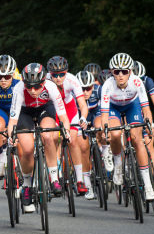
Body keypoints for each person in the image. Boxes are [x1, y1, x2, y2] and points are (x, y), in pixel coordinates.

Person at [7, 63, 70, 213]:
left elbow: (63, 117)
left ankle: (54, 178)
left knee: (48, 135)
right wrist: (11, 137)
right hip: (25, 113)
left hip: (44, 109)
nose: (33, 90)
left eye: (37, 86)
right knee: (27, 149)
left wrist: (66, 131)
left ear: (43, 82)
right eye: (29, 86)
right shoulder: (18, 89)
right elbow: (12, 121)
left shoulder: (51, 87)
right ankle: (27, 185)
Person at [100, 53, 154, 200]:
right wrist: (106, 131)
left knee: (138, 140)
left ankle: (148, 186)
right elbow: (104, 114)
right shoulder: (107, 85)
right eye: (116, 71)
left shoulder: (137, 82)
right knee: (116, 133)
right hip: (114, 108)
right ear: (112, 72)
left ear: (130, 71)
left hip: (132, 106)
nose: (120, 75)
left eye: (124, 71)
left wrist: (149, 124)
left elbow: (146, 108)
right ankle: (118, 165)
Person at [46, 56, 89, 195]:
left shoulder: (72, 79)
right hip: (54, 111)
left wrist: (83, 117)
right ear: (49, 74)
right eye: (55, 75)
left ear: (67, 72)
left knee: (73, 140)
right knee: (54, 140)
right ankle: (55, 176)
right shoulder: (45, 80)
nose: (58, 78)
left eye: (61, 74)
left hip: (70, 111)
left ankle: (80, 180)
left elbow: (82, 104)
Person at [132, 60, 154, 201]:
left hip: (145, 115)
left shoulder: (147, 81)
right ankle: (130, 172)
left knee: (149, 147)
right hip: (131, 115)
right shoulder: (127, 82)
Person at [76, 70, 101, 199]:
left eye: (88, 88)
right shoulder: (74, 95)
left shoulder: (98, 90)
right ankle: (88, 185)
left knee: (100, 126)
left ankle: (104, 149)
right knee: (84, 149)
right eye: (82, 89)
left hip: (96, 113)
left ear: (93, 86)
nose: (85, 92)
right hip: (80, 118)